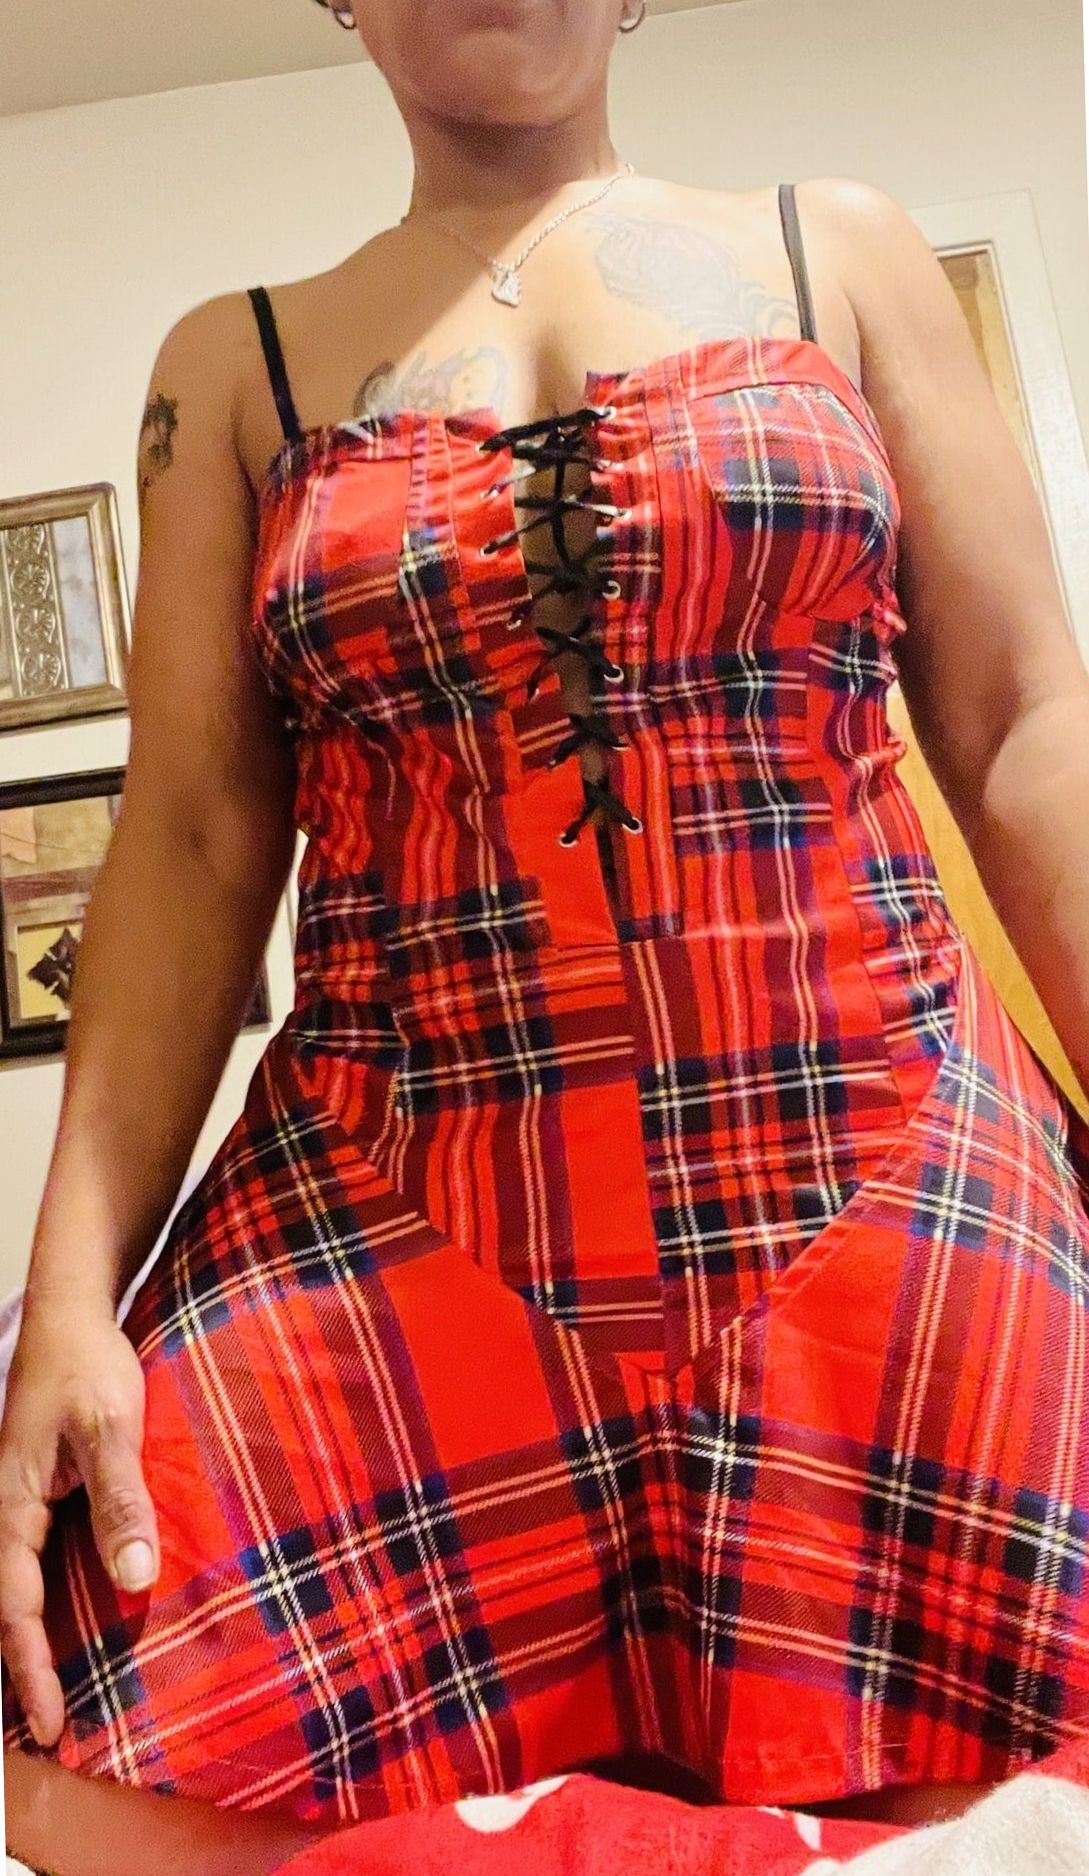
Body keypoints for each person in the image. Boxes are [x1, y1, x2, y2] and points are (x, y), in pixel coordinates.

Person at [4, 1, 1089, 1870]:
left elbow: (1020, 735)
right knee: (65, 1731)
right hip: (398, 1192)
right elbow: (187, 839)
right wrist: (69, 1301)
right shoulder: (234, 367)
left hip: (880, 1165)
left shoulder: (839, 252)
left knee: (977, 1751)